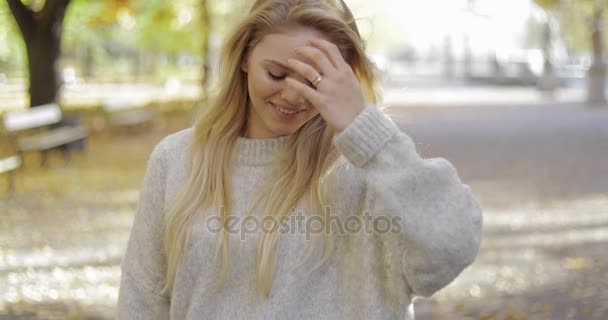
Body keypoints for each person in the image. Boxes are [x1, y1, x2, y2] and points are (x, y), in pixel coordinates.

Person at [116, 0, 483, 319]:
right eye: (276, 73)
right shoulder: (177, 160)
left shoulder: (371, 167)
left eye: (315, 79)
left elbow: (451, 247)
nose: (292, 93)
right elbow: (142, 300)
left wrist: (366, 133)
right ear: (245, 57)